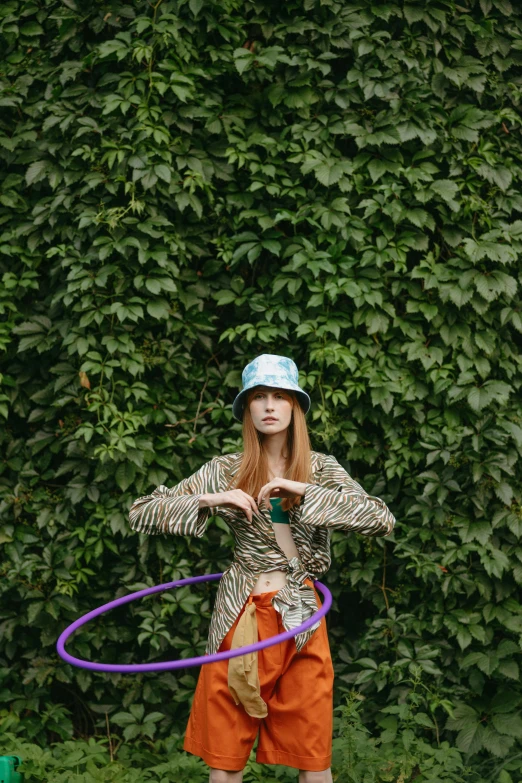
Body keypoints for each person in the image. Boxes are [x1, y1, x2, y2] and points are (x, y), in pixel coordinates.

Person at [128, 353, 396, 783]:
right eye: (259, 397)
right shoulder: (226, 469)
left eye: (279, 396)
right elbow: (141, 511)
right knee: (225, 755)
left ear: (295, 407)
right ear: (246, 408)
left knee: (313, 757)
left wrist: (303, 490)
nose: (269, 405)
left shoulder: (322, 468)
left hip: (301, 616)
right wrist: (214, 499)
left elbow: (380, 519)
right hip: (242, 614)